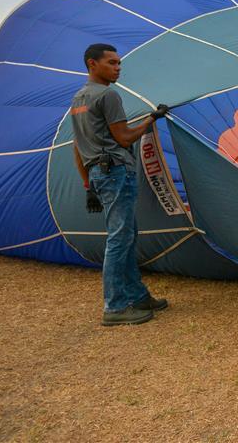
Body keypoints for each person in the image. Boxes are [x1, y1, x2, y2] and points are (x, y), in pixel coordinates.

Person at [71, 43, 170, 326]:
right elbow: (125, 138)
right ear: (93, 64)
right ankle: (114, 307)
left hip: (99, 174)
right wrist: (152, 119)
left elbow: (78, 146)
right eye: (112, 63)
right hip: (115, 172)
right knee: (119, 239)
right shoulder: (108, 95)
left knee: (125, 235)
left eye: (119, 64)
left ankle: (138, 296)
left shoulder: (79, 98)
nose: (118, 68)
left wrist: (88, 184)